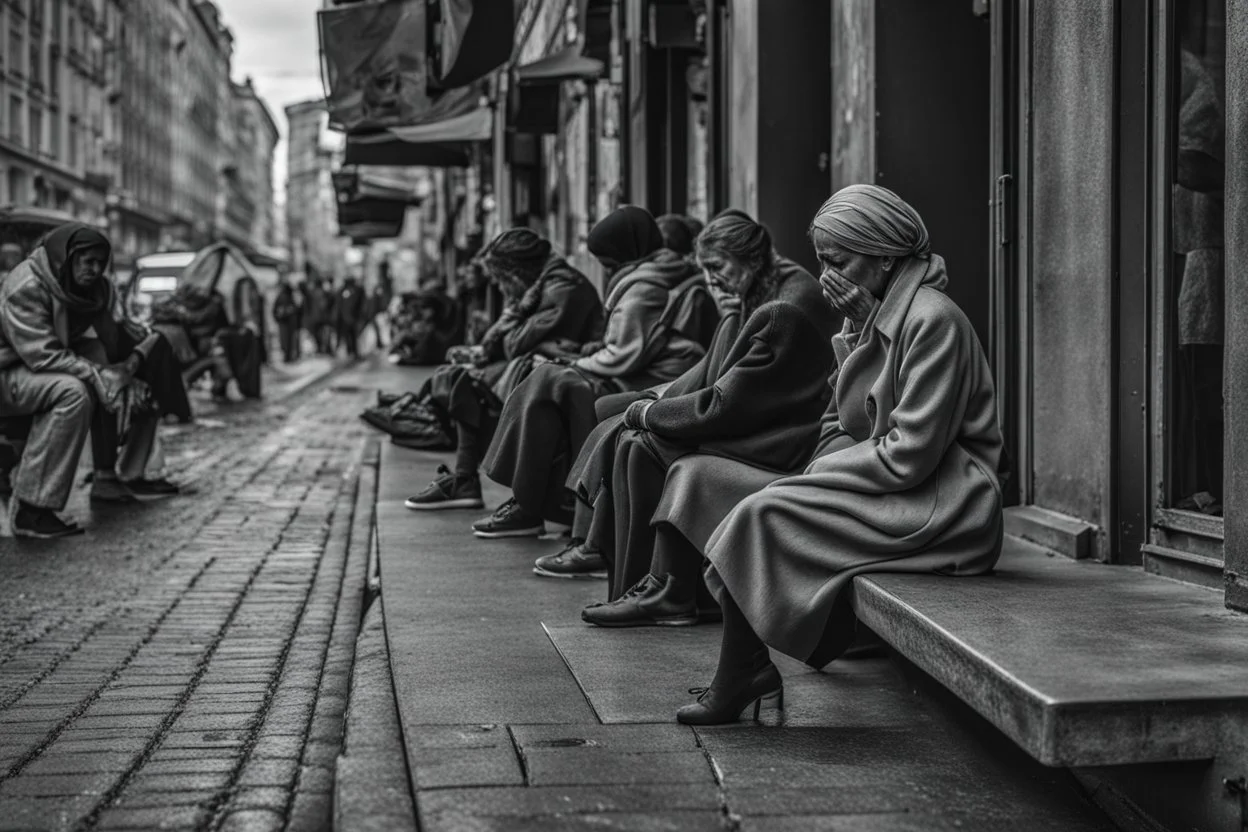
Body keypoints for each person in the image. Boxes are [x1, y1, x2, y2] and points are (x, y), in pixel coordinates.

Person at [627, 185, 1004, 725]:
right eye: (822, 260)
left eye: (838, 261)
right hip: (900, 484)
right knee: (705, 481)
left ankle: (742, 673)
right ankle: (754, 656)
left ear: (884, 256)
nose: (827, 275)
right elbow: (849, 423)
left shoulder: (933, 319)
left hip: (950, 501)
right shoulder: (878, 313)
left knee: (764, 511)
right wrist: (854, 336)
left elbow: (909, 456)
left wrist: (814, 475)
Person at [547, 213, 836, 598]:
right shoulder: (750, 291)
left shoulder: (791, 301)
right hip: (749, 408)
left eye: (717, 268)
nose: (711, 280)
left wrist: (653, 410)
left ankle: (654, 583)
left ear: (749, 261)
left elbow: (737, 391)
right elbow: (722, 377)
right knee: (614, 414)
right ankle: (612, 561)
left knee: (640, 444)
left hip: (778, 427)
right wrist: (655, 400)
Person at [466, 206, 716, 539]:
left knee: (548, 378)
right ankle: (527, 502)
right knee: (546, 379)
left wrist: (574, 364)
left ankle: (526, 503)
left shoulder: (645, 287)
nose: (604, 266)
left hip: (647, 380)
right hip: (647, 372)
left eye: (606, 258)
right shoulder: (660, 273)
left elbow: (620, 357)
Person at [399, 228, 605, 509]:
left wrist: (512, 316)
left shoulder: (562, 288)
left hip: (570, 375)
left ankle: (490, 489)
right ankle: (465, 479)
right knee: (458, 378)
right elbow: (514, 343)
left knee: (466, 383)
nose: (498, 287)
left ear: (514, 274)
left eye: (499, 279)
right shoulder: (538, 289)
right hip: (547, 367)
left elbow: (516, 343)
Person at [0, 224, 179, 538]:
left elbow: (104, 340)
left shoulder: (96, 290)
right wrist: (101, 376)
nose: (96, 270)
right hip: (10, 370)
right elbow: (43, 355)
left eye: (101, 262)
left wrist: (123, 376)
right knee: (73, 393)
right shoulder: (27, 285)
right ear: (67, 259)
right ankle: (32, 509)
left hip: (48, 364)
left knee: (131, 383)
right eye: (88, 262)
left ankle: (119, 474)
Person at [335, 276, 367, 358]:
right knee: (351, 335)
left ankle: (352, 351)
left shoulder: (346, 291)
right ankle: (352, 351)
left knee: (351, 335)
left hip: (348, 318)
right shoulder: (353, 291)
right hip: (348, 318)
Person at [273, 281, 302, 363]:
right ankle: (288, 357)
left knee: (286, 341)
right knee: (287, 340)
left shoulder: (282, 296)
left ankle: (288, 357)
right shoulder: (286, 297)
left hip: (285, 322)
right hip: (287, 322)